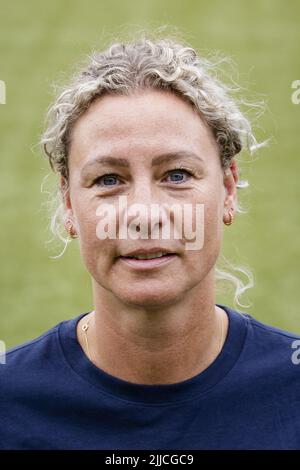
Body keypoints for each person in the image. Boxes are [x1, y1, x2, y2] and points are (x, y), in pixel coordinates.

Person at [1, 35, 300, 451]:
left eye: (177, 174)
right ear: (68, 204)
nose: (143, 214)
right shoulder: (9, 405)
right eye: (108, 180)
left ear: (228, 189)